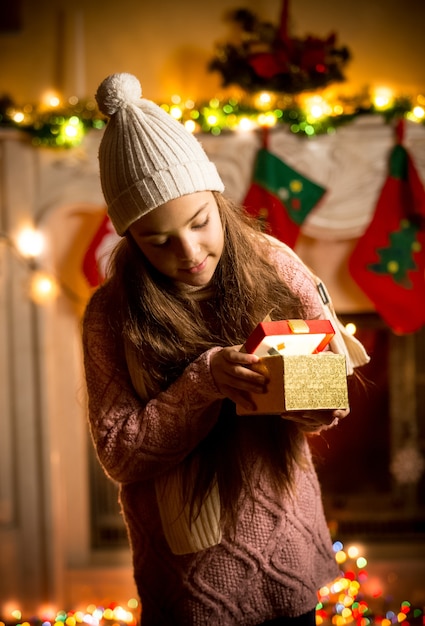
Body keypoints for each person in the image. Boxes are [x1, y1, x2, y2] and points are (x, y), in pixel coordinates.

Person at [82, 73, 369, 626]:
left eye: (199, 223)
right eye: (158, 240)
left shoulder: (276, 263)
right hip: (189, 579)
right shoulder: (110, 314)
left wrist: (305, 393)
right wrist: (204, 382)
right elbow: (120, 454)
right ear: (130, 239)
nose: (188, 252)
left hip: (286, 556)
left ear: (218, 201)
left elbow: (330, 403)